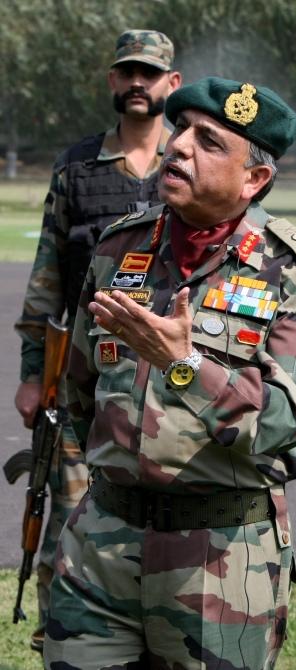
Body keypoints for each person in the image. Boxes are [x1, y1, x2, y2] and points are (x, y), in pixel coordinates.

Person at [43, 76, 296, 669]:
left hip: (221, 560)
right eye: (181, 131)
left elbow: (283, 422)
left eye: (209, 142)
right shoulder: (116, 248)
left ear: (255, 179)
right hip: (104, 547)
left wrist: (184, 365)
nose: (178, 147)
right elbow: (80, 393)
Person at [12, 29, 181, 653]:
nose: (138, 83)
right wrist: (34, 374)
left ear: (172, 84)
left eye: (150, 73)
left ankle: (159, 628)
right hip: (83, 376)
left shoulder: (188, 162)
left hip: (170, 377)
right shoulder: (78, 169)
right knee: (71, 513)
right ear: (113, 81)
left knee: (166, 513)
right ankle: (63, 633)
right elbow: (46, 279)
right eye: (127, 72)